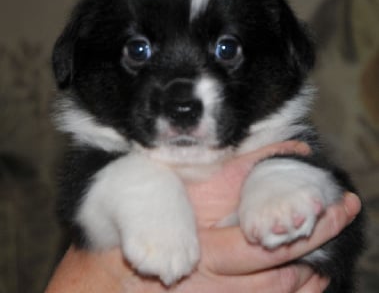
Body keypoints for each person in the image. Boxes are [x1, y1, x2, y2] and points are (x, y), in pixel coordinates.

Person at [45, 141, 362, 293]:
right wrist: (109, 282)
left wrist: (277, 174)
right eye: (139, 51)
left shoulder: (281, 144)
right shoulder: (103, 161)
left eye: (226, 50)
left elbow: (338, 244)